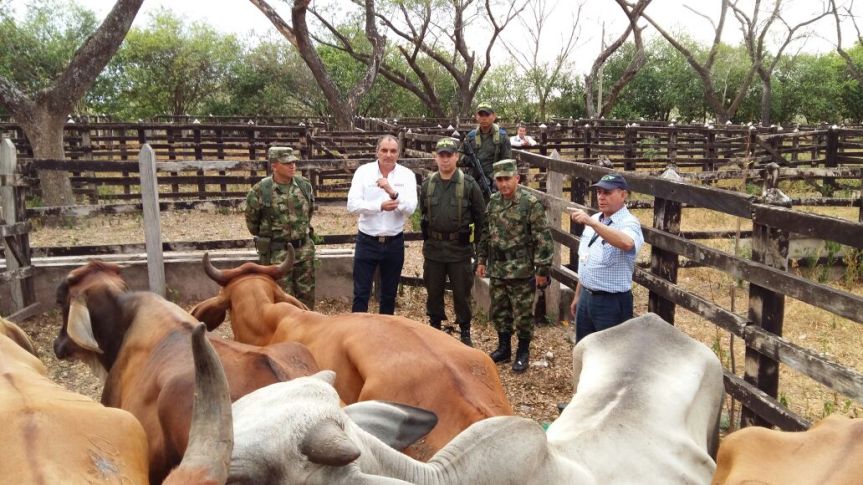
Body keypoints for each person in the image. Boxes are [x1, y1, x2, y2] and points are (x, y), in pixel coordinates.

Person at [476, 159, 553, 373]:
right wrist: (481, 260)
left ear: (517, 178)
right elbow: (485, 233)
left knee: (523, 314)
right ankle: (504, 348)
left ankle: (523, 351)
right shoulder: (493, 202)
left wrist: (542, 271)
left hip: (521, 269)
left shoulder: (530, 204)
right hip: (498, 268)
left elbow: (543, 240)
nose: (503, 184)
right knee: (500, 311)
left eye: (507, 179)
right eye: (499, 180)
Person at [420, 137, 486, 346]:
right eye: (441, 155)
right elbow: (423, 213)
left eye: (449, 155)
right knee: (434, 292)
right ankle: (435, 328)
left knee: (462, 293)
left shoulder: (469, 184)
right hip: (434, 250)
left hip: (460, 250)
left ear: (456, 157)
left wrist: (481, 255)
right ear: (436, 158)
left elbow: (481, 221)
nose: (445, 159)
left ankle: (465, 331)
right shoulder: (427, 185)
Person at [569, 173, 644, 342]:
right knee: (584, 347)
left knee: (612, 351)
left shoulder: (629, 223)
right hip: (586, 296)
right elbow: (586, 259)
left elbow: (627, 243)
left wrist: (593, 224)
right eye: (599, 192)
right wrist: (578, 295)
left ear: (623, 195)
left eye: (607, 193)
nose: (601, 197)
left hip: (611, 302)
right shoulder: (596, 218)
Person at [347, 134, 418, 315]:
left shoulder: (407, 175)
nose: (388, 155)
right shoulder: (363, 172)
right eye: (384, 150)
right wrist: (379, 206)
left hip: (394, 242)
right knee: (361, 293)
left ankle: (386, 330)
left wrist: (392, 192)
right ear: (376, 152)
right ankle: (357, 329)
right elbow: (352, 205)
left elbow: (410, 209)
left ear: (398, 153)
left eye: (393, 151)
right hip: (367, 240)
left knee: (389, 295)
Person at [246, 146, 316, 309]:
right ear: (274, 166)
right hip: (277, 254)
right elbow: (252, 224)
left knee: (307, 297)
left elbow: (309, 213)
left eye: (293, 162)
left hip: (303, 251)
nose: (292, 166)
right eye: (286, 163)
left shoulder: (304, 186)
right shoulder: (260, 191)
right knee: (283, 301)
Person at [459, 102, 511, 197]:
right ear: (477, 117)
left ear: (493, 116)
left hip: (494, 183)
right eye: (481, 115)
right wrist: (467, 160)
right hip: (473, 181)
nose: (484, 118)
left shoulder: (502, 137)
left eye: (487, 115)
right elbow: (458, 157)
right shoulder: (471, 137)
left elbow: (507, 162)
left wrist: (492, 177)